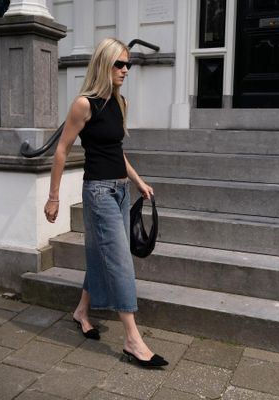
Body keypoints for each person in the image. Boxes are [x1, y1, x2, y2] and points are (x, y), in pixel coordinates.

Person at [44, 38, 168, 368]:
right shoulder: (84, 104)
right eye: (120, 64)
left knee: (102, 257)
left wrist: (139, 182)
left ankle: (82, 311)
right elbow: (61, 150)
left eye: (128, 65)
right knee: (119, 261)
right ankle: (132, 339)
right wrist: (54, 197)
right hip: (98, 193)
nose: (126, 69)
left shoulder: (118, 101)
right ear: (104, 64)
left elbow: (117, 151)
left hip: (120, 190)